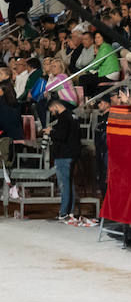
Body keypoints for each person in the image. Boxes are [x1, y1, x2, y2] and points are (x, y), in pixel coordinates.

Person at [43, 94, 84, 223]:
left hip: (64, 155)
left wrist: (51, 132)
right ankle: (69, 212)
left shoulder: (64, 119)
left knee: (64, 185)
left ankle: (64, 212)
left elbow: (62, 136)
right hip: (71, 154)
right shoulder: (72, 117)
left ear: (56, 106)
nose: (52, 113)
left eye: (52, 110)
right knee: (69, 184)